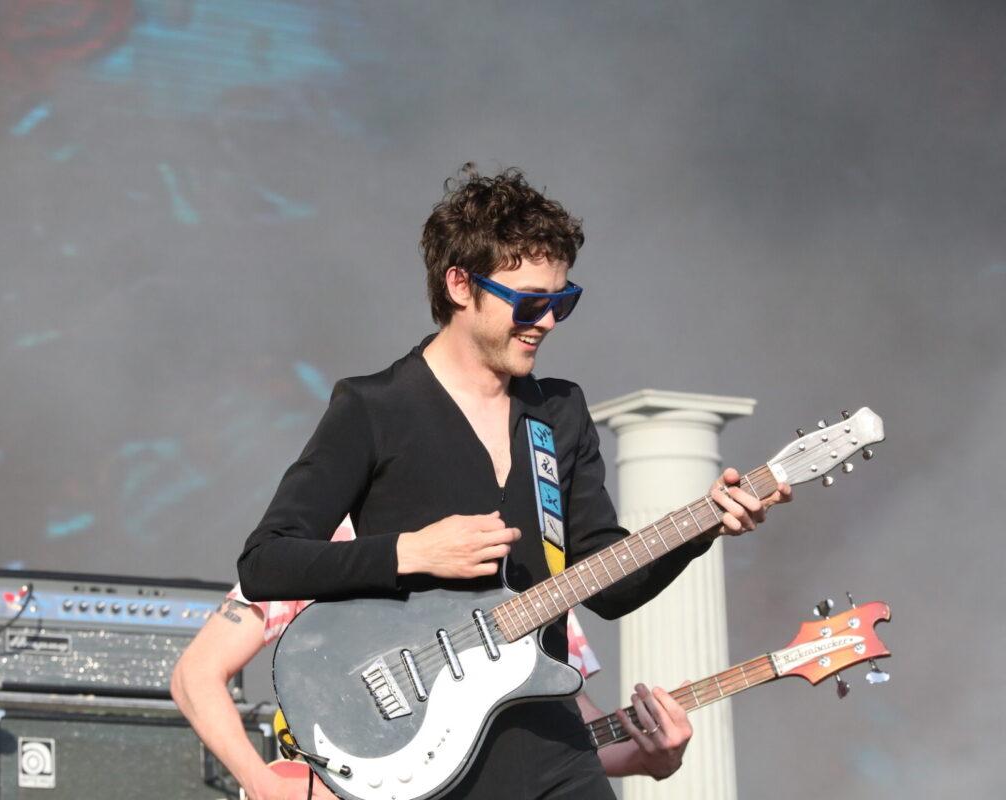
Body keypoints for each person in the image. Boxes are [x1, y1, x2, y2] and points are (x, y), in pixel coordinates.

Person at [235, 165, 790, 799]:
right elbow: (266, 562)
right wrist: (411, 552)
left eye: (562, 300)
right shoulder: (374, 407)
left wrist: (703, 528)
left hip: (553, 744)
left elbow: (609, 585)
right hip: (424, 753)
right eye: (529, 301)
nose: (547, 320)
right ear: (460, 284)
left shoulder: (559, 412)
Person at [172, 520, 693, 800]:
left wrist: (649, 759)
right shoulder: (324, 548)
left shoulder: (518, 571)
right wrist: (263, 784)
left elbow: (564, 737)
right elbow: (196, 675)